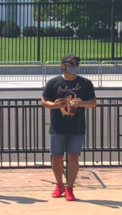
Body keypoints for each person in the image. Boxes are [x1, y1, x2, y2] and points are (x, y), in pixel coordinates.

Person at [40, 54, 97, 201]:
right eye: (70, 63)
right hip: (57, 126)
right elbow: (44, 101)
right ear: (62, 65)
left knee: (73, 157)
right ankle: (59, 185)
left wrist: (82, 103)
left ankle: (70, 187)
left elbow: (93, 102)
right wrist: (54, 105)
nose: (73, 65)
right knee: (57, 157)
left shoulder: (85, 83)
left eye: (76, 63)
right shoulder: (53, 83)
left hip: (77, 127)